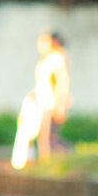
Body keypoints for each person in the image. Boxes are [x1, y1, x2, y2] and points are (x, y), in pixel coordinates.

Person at [32, 31, 72, 162]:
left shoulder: (57, 58)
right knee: (45, 135)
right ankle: (48, 160)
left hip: (51, 102)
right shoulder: (47, 59)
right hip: (43, 102)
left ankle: (50, 161)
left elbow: (62, 81)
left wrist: (61, 104)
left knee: (48, 136)